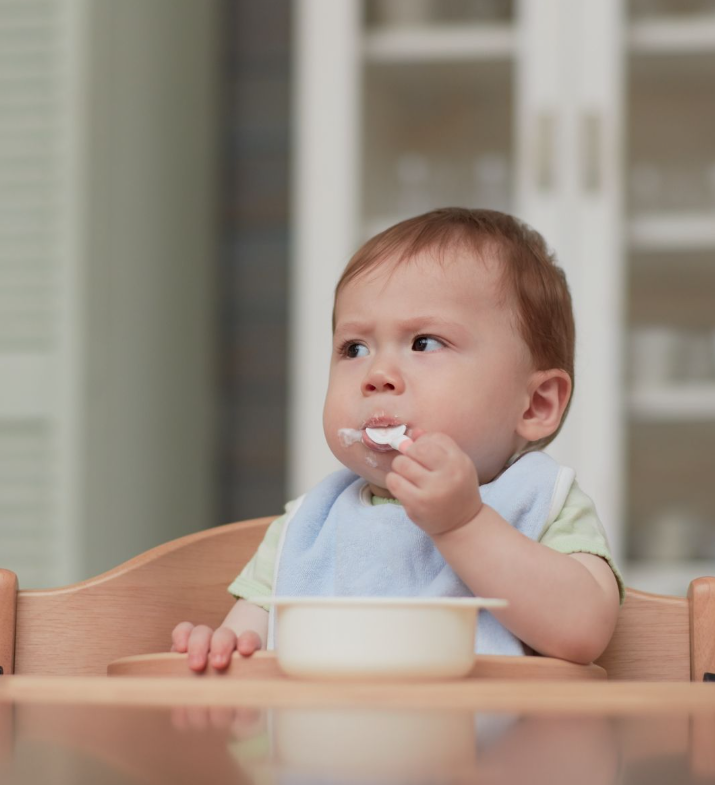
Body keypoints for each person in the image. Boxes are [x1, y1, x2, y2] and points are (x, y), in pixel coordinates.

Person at [172, 207, 624, 672]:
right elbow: (251, 658)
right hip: (326, 744)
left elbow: (583, 630)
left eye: (424, 343)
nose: (377, 375)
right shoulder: (309, 527)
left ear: (535, 405)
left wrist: (463, 525)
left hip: (495, 745)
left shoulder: (540, 501)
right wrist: (220, 651)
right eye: (355, 348)